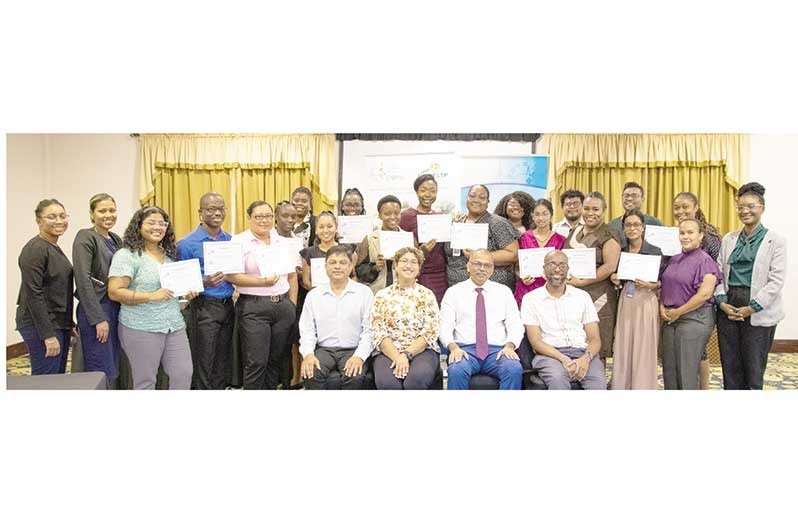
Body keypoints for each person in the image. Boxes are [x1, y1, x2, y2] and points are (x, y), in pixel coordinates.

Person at [108, 206, 196, 390]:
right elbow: (115, 292)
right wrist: (150, 296)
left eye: (162, 223)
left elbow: (170, 294)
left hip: (174, 325)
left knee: (183, 374)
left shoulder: (169, 255)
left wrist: (187, 295)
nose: (158, 227)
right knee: (145, 381)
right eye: (151, 223)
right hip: (141, 327)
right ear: (138, 226)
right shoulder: (127, 255)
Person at [715, 182, 786, 390]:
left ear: (761, 208)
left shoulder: (776, 241)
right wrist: (722, 302)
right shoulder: (729, 239)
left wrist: (752, 307)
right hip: (728, 305)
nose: (745, 210)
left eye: (751, 206)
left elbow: (776, 281)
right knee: (730, 365)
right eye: (740, 206)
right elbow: (718, 273)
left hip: (757, 307)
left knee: (754, 368)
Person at [227, 201, 298, 390]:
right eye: (258, 216)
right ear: (249, 218)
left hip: (282, 307)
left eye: (268, 216)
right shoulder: (238, 241)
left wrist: (291, 304)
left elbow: (292, 275)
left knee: (275, 360)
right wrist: (262, 282)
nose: (264, 220)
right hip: (254, 307)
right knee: (256, 362)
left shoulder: (283, 242)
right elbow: (231, 276)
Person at [175, 192, 235, 390]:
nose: (217, 213)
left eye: (220, 208)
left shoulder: (231, 241)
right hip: (204, 308)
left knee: (222, 361)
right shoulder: (186, 244)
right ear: (200, 213)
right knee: (204, 361)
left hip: (229, 306)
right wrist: (204, 282)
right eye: (211, 209)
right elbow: (180, 284)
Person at [439, 249, 523, 390]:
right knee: (457, 370)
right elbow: (445, 326)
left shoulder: (504, 292)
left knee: (513, 368)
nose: (482, 269)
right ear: (468, 266)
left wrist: (510, 346)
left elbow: (515, 323)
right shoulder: (453, 292)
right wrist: (453, 348)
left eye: (487, 265)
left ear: (492, 270)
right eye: (477, 264)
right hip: (465, 350)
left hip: (497, 351)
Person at [522, 251, 606, 390]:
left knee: (598, 384)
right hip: (550, 355)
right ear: (543, 269)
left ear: (568, 269)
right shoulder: (531, 299)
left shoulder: (582, 296)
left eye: (562, 265)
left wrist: (586, 359)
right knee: (558, 380)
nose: (557, 269)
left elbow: (594, 339)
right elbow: (535, 341)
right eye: (552, 264)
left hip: (583, 353)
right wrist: (563, 359)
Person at [659, 218, 722, 390]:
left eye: (690, 232)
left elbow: (705, 294)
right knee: (669, 371)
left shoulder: (705, 260)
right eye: (682, 233)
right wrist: (662, 307)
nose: (685, 236)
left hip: (695, 319)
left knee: (687, 372)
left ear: (701, 235)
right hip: (671, 319)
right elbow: (664, 286)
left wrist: (679, 311)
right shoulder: (674, 259)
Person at [299, 245, 374, 390]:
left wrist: (359, 356)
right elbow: (307, 330)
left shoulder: (364, 293)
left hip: (353, 349)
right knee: (311, 373)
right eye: (333, 263)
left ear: (351, 266)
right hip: (324, 350)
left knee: (354, 375)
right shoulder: (314, 295)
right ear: (325, 266)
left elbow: (370, 330)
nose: (337, 267)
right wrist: (308, 354)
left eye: (343, 263)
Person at [16, 199, 74, 375]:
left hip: (57, 323)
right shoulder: (35, 249)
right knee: (45, 380)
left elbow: (56, 289)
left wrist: (68, 323)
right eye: (52, 216)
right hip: (40, 325)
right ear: (39, 220)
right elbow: (34, 294)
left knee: (57, 376)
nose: (59, 221)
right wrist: (47, 335)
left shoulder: (53, 247)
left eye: (62, 216)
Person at [609, 209, 666, 390]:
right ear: (624, 228)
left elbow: (663, 281)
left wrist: (653, 286)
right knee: (624, 342)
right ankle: (622, 385)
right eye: (628, 225)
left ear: (643, 227)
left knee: (644, 344)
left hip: (646, 299)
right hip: (626, 298)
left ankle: (642, 387)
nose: (632, 228)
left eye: (636, 225)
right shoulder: (621, 250)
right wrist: (615, 280)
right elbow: (617, 278)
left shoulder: (655, 251)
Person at [370, 247, 440, 390]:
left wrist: (406, 354)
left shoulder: (427, 295)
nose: (408, 265)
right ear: (395, 266)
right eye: (404, 261)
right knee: (388, 383)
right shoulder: (382, 295)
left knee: (415, 380)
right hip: (388, 351)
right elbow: (378, 331)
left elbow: (430, 331)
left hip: (421, 350)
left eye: (414, 262)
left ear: (419, 268)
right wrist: (397, 356)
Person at [72, 193, 123, 386]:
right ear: (92, 214)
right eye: (102, 211)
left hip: (115, 307)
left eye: (112, 210)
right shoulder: (86, 236)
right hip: (97, 309)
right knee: (100, 366)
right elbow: (83, 280)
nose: (108, 215)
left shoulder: (116, 239)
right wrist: (98, 319)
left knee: (113, 363)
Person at [564, 191, 621, 364]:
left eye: (595, 209)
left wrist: (583, 281)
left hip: (599, 295)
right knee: (576, 340)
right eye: (587, 208)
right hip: (573, 293)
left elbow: (609, 266)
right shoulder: (576, 231)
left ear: (604, 210)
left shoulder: (609, 234)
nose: (590, 213)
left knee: (598, 342)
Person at [672, 191, 722, 388]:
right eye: (677, 207)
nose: (681, 211)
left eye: (685, 206)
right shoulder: (676, 232)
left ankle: (704, 388)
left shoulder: (709, 235)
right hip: (679, 300)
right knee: (688, 353)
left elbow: (716, 267)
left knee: (699, 350)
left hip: (699, 304)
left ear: (696, 207)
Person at [444, 184, 519, 290]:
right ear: (467, 198)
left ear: (488, 202)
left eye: (482, 197)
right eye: (472, 196)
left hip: (491, 290)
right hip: (458, 290)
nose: (476, 200)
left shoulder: (497, 223)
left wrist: (477, 257)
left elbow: (513, 254)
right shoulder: (457, 223)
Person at [399, 174, 448, 303]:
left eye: (433, 191)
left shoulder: (441, 217)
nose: (428, 194)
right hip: (417, 273)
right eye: (423, 190)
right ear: (416, 192)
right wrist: (420, 251)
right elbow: (400, 249)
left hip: (441, 274)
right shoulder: (406, 216)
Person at [514, 198, 566, 306]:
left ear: (551, 215)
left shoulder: (561, 240)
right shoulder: (524, 237)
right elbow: (516, 265)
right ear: (532, 216)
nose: (541, 218)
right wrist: (521, 276)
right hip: (526, 289)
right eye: (537, 214)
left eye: (545, 214)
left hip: (551, 290)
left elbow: (564, 267)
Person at [356, 194, 411, 294]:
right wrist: (375, 268)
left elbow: (416, 267)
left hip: (404, 291)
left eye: (396, 213)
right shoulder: (370, 239)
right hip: (377, 291)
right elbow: (360, 270)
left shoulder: (408, 239)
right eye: (387, 214)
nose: (392, 217)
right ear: (380, 215)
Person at [300, 211, 355, 290]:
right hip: (318, 297)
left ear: (336, 228)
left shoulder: (348, 250)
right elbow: (306, 282)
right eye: (321, 227)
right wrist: (321, 294)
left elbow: (353, 276)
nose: (325, 230)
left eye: (329, 226)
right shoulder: (308, 253)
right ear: (316, 230)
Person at [608, 181, 664, 246]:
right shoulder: (612, 225)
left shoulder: (654, 223)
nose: (629, 198)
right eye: (626, 196)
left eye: (634, 196)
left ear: (642, 199)